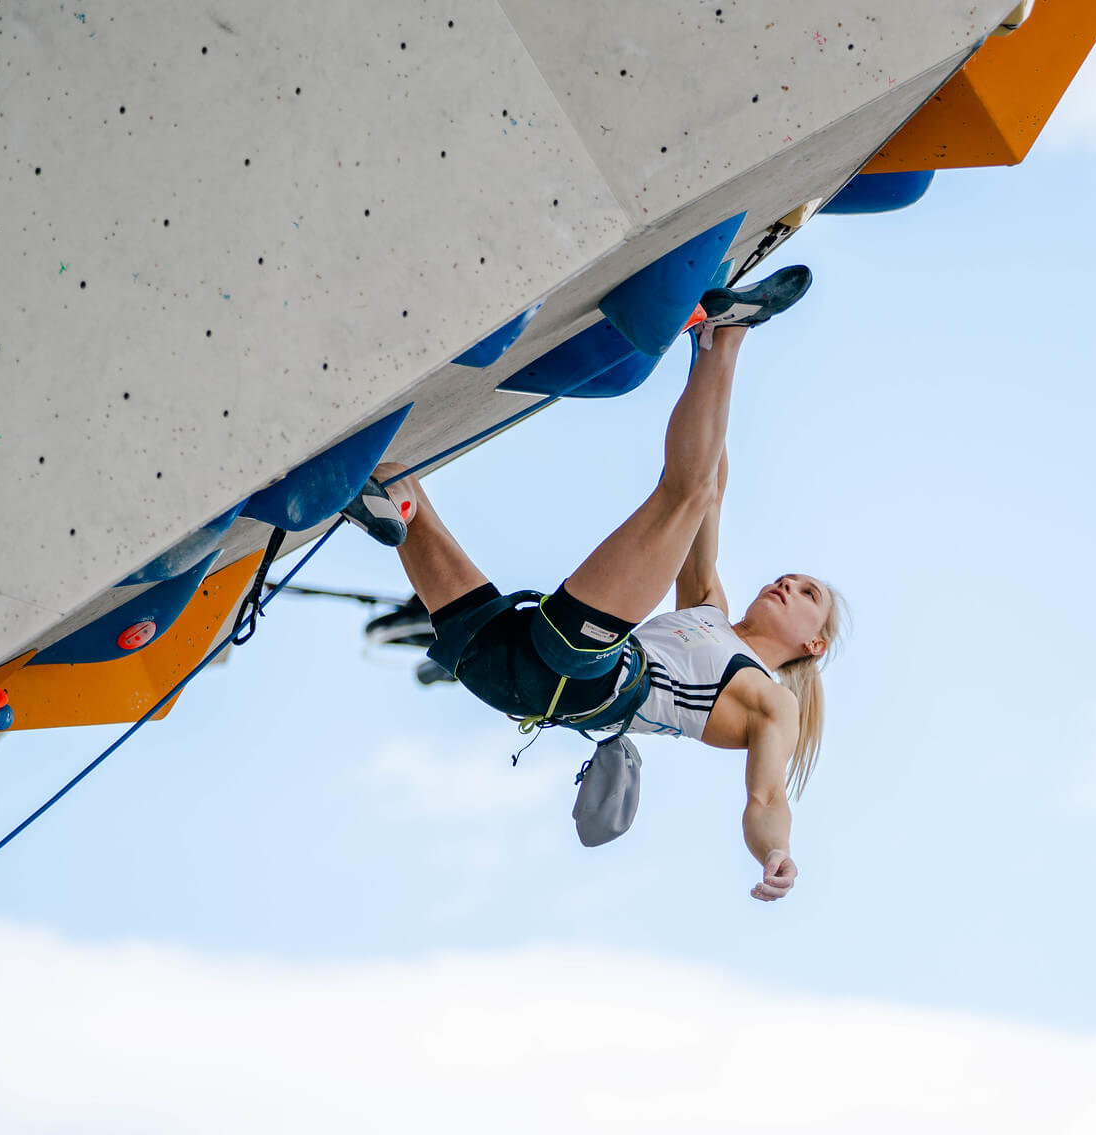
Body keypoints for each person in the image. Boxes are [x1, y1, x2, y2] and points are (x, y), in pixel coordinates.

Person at [359, 266, 844, 901]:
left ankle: (729, 334)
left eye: (809, 595)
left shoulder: (771, 703)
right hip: (501, 665)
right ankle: (380, 504)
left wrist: (775, 852)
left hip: (578, 665)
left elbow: (767, 796)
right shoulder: (710, 611)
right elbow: (715, 485)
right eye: (792, 577)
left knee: (684, 494)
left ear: (814, 646)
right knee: (400, 483)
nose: (789, 583)